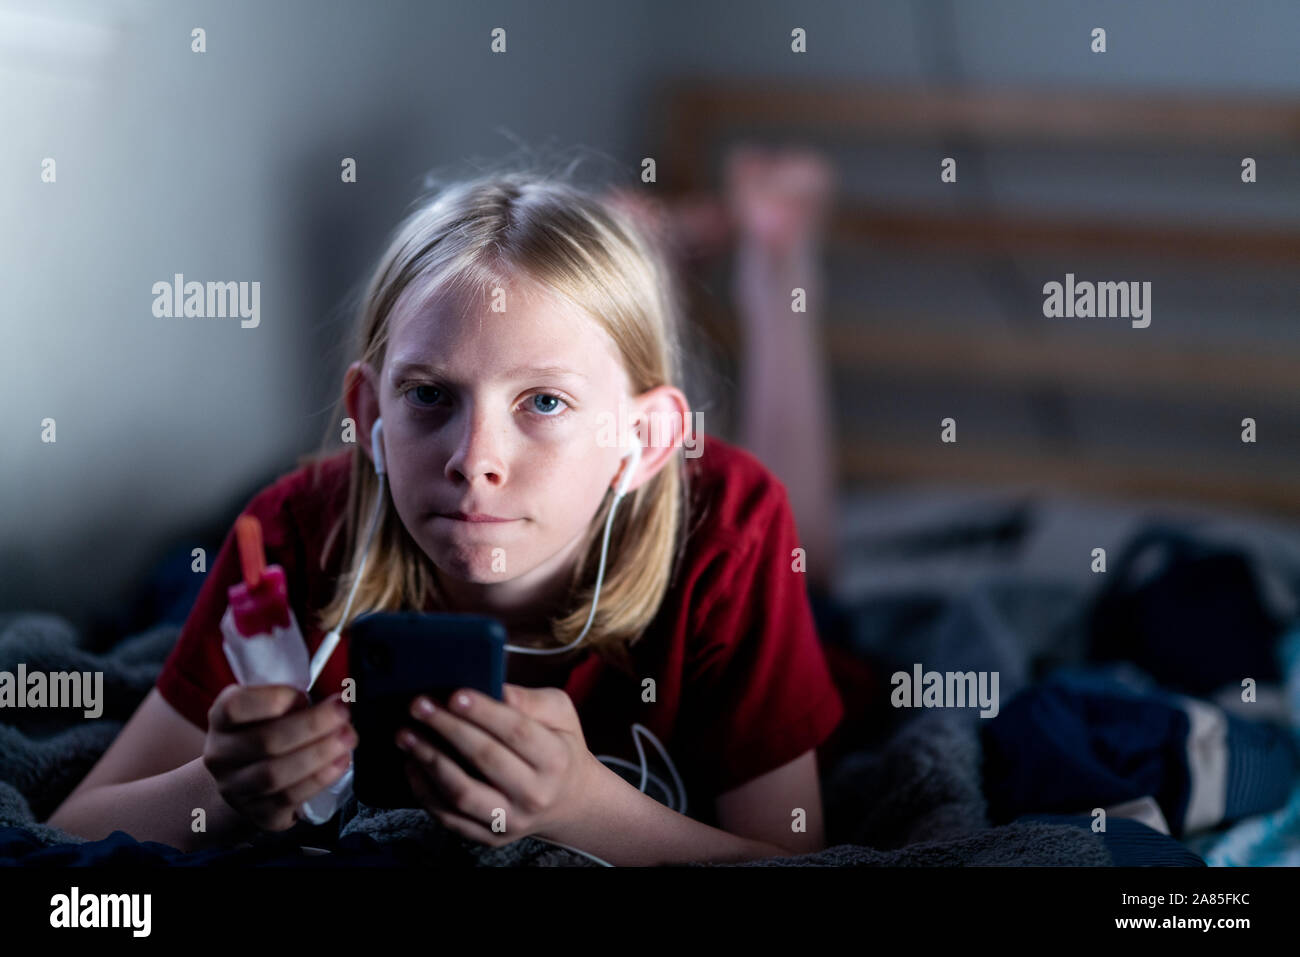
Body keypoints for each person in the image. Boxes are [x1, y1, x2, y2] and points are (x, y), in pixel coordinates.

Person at [47, 166, 845, 866]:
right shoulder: (290, 533)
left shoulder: (730, 529)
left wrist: (590, 811)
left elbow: (792, 855)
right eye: (430, 395)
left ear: (641, 442)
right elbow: (72, 826)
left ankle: (774, 261)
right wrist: (218, 791)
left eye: (543, 401)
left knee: (821, 571)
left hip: (727, 534)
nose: (474, 458)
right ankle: (644, 257)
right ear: (368, 413)